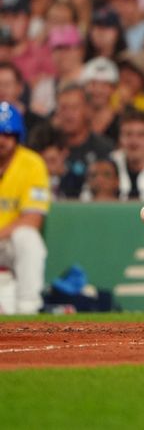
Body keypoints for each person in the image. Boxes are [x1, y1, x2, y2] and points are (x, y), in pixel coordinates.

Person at [0, 102, 49, 314]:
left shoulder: (32, 163)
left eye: (8, 134)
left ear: (18, 136)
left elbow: (33, 219)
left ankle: (29, 306)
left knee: (27, 238)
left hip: (8, 244)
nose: (2, 140)